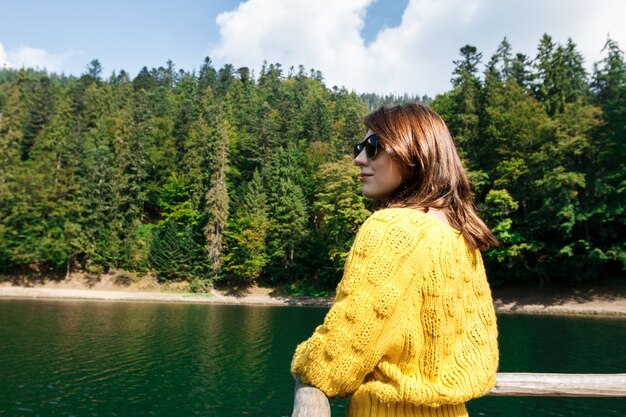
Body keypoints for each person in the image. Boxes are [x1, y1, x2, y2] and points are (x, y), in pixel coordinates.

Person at [290, 102, 500, 417]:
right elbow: (477, 360)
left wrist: (305, 359)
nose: (359, 158)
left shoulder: (393, 228)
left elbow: (334, 363)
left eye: (374, 147)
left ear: (414, 153)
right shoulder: (460, 237)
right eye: (360, 147)